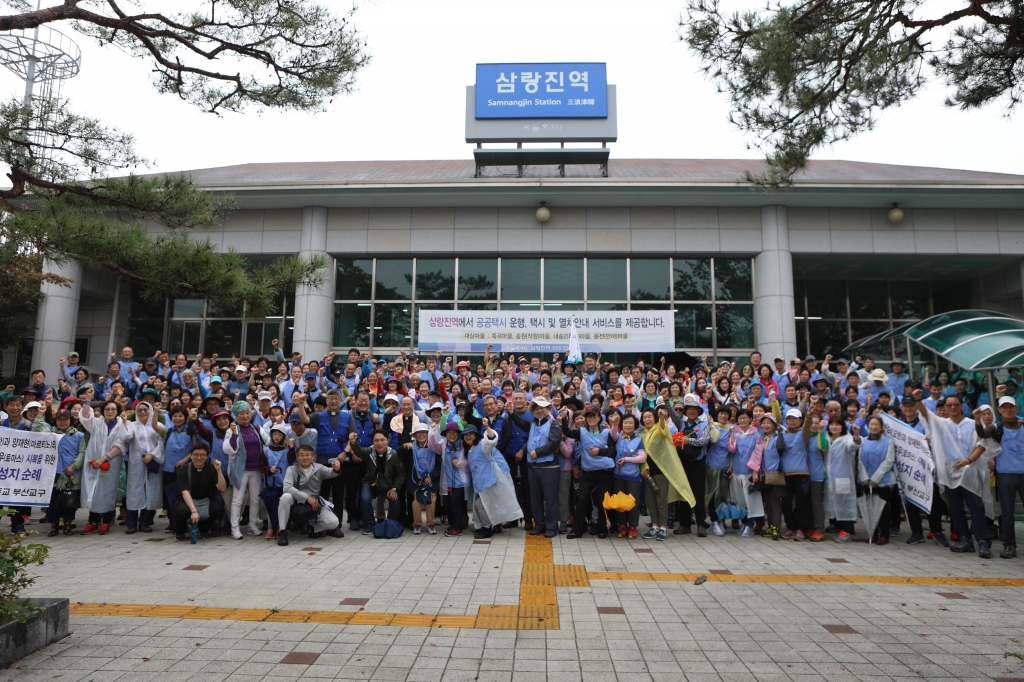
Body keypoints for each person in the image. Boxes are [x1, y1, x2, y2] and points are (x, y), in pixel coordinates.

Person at [640, 407, 696, 541]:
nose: (647, 419)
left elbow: (664, 430)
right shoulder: (643, 434)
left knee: (661, 500)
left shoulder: (659, 429)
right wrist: (644, 469)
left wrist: (661, 418)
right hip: (648, 472)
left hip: (660, 471)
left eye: (649, 417)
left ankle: (663, 527)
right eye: (645, 417)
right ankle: (654, 526)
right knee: (650, 501)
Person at [510, 397, 563, 537]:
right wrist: (511, 412)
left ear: (547, 409)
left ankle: (551, 527)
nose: (539, 410)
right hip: (533, 467)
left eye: (542, 407)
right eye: (536, 408)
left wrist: (537, 453)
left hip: (549, 467)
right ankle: (539, 524)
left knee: (550, 498)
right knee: (535, 498)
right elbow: (520, 423)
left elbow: (554, 443)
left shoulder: (554, 424)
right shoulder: (533, 423)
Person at [277, 444, 343, 546]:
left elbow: (331, 473)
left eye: (308, 455)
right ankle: (282, 531)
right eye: (302, 455)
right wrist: (307, 497)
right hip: (296, 501)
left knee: (334, 522)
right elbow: (287, 487)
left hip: (314, 504)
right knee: (285, 497)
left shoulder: (319, 468)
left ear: (313, 456)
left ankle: (312, 526)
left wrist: (336, 468)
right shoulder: (291, 469)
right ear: (297, 457)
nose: (305, 458)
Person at [79, 400, 126, 535]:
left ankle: (106, 521)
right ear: (103, 411)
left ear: (117, 411)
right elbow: (85, 417)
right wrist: (87, 402)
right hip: (93, 464)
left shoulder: (121, 425)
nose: (110, 412)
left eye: (113, 409)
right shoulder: (97, 423)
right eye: (107, 409)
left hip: (111, 464)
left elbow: (120, 445)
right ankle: (92, 522)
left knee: (108, 492)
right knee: (93, 492)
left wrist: (105, 458)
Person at [120, 400, 166, 533]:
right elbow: (126, 436)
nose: (143, 412)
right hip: (137, 462)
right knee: (135, 490)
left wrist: (152, 455)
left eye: (145, 409)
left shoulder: (157, 425)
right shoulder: (132, 425)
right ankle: (131, 523)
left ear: (150, 410)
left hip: (153, 460)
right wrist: (124, 422)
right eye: (139, 410)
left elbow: (161, 442)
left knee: (151, 491)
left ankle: (145, 522)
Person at [222, 401, 265, 539]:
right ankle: (235, 528)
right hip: (240, 470)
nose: (245, 416)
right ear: (236, 415)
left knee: (255, 499)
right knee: (237, 500)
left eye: (247, 413)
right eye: (242, 413)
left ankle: (253, 524)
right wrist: (234, 434)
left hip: (256, 469)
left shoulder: (256, 428)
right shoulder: (231, 430)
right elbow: (228, 449)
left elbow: (269, 441)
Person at [351, 428, 405, 533]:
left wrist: (394, 488)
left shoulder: (394, 455)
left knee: (395, 500)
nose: (379, 443)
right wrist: (353, 442)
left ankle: (391, 523)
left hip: (388, 484)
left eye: (382, 440)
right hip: (370, 482)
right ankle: (370, 524)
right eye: (376, 440)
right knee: (365, 499)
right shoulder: (369, 452)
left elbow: (401, 474)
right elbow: (359, 451)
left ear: (387, 440)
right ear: (373, 441)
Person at [43, 408, 86, 536]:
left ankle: (68, 526)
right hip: (54, 475)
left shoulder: (79, 436)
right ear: (55, 421)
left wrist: (74, 466)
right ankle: (54, 527)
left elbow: (82, 453)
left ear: (70, 420)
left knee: (70, 503)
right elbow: (37, 430)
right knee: (53, 502)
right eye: (59, 419)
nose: (62, 422)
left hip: (71, 475)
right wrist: (41, 414)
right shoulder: (51, 434)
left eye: (65, 419)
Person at [173, 443, 228, 541]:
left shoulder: (211, 469)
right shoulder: (183, 470)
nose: (199, 457)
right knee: (182, 511)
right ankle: (180, 531)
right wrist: (194, 511)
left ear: (207, 456)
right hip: (185, 500)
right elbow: (185, 492)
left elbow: (222, 488)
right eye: (196, 454)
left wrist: (219, 470)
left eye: (202, 455)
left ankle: (203, 528)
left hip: (204, 500)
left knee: (218, 509)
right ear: (191, 455)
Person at [611, 413, 646, 539]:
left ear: (635, 425)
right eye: (625, 422)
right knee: (620, 503)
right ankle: (622, 526)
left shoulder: (638, 440)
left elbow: (642, 458)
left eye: (631, 422)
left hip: (633, 477)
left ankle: (632, 527)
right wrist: (614, 424)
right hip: (618, 476)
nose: (628, 425)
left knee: (632, 503)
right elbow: (612, 434)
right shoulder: (618, 437)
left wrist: (626, 459)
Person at [409, 422, 439, 534]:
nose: (421, 435)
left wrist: (432, 477)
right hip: (417, 480)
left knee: (431, 501)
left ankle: (430, 524)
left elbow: (439, 465)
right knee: (416, 503)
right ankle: (417, 524)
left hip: (431, 479)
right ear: (415, 435)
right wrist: (404, 447)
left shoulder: (434, 446)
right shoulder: (412, 447)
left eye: (424, 432)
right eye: (418, 433)